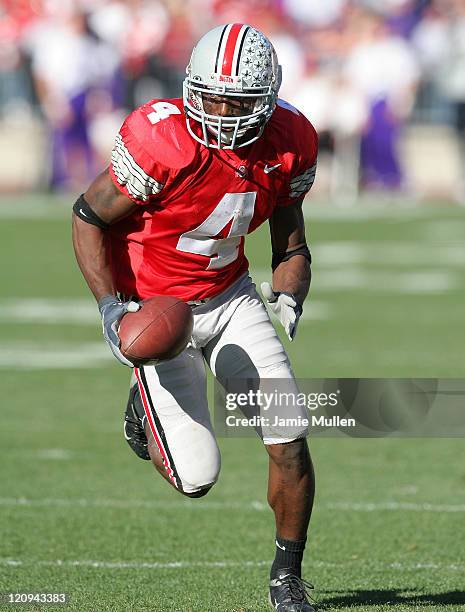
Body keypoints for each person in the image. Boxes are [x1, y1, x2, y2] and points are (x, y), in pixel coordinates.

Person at [72, 23, 318, 611]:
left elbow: (291, 244)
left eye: (237, 99)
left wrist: (290, 290)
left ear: (267, 99)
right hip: (159, 313)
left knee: (290, 437)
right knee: (196, 477)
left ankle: (287, 577)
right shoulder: (163, 140)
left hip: (230, 297)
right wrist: (112, 308)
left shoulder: (290, 139)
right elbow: (87, 216)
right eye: (210, 95)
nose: (222, 110)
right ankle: (143, 406)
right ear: (191, 88)